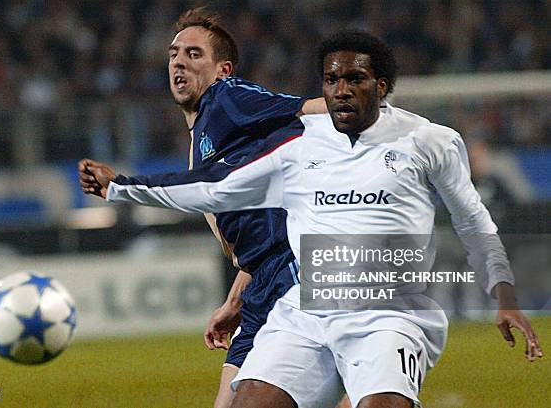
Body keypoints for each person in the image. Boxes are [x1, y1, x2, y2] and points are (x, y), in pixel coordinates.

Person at [80, 30, 543, 408]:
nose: (341, 90)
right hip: (305, 310)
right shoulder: (299, 146)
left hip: (389, 313)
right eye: (331, 79)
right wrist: (119, 186)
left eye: (355, 79)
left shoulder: (430, 141)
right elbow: (215, 188)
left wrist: (504, 296)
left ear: (380, 86)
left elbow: (474, 223)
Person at [107, 7, 343, 408]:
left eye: (195, 54)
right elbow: (257, 234)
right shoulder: (204, 137)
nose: (179, 61)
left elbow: (308, 109)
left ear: (223, 70)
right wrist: (234, 302)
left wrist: (368, 111)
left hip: (292, 278)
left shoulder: (227, 97)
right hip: (259, 288)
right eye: (174, 54)